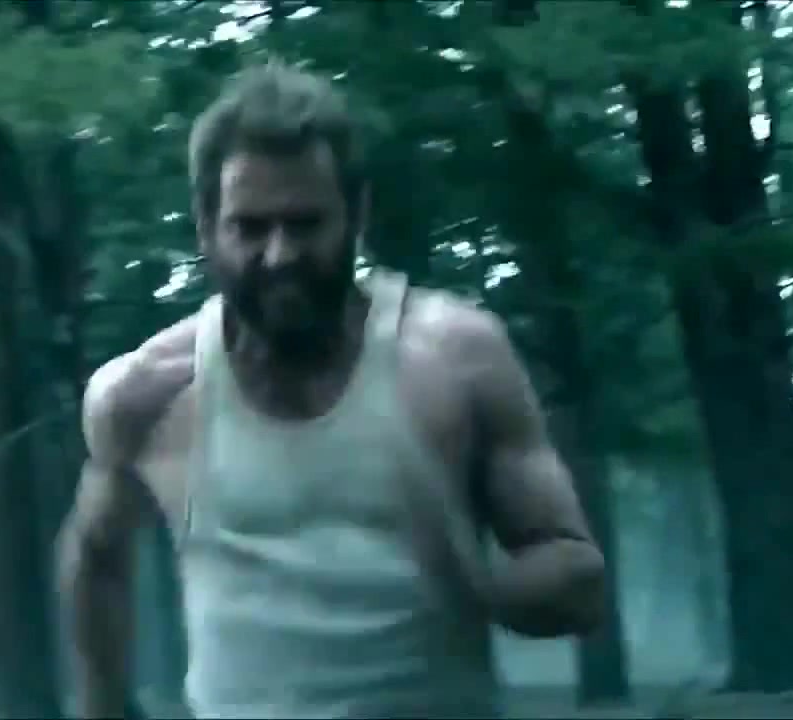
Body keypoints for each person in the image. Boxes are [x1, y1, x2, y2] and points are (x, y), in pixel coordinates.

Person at [59, 63, 606, 719]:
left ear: (357, 214)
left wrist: (476, 585)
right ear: (207, 227)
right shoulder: (148, 395)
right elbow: (96, 556)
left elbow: (578, 581)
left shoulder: (453, 359)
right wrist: (104, 706)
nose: (280, 254)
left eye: (305, 223)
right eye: (251, 228)